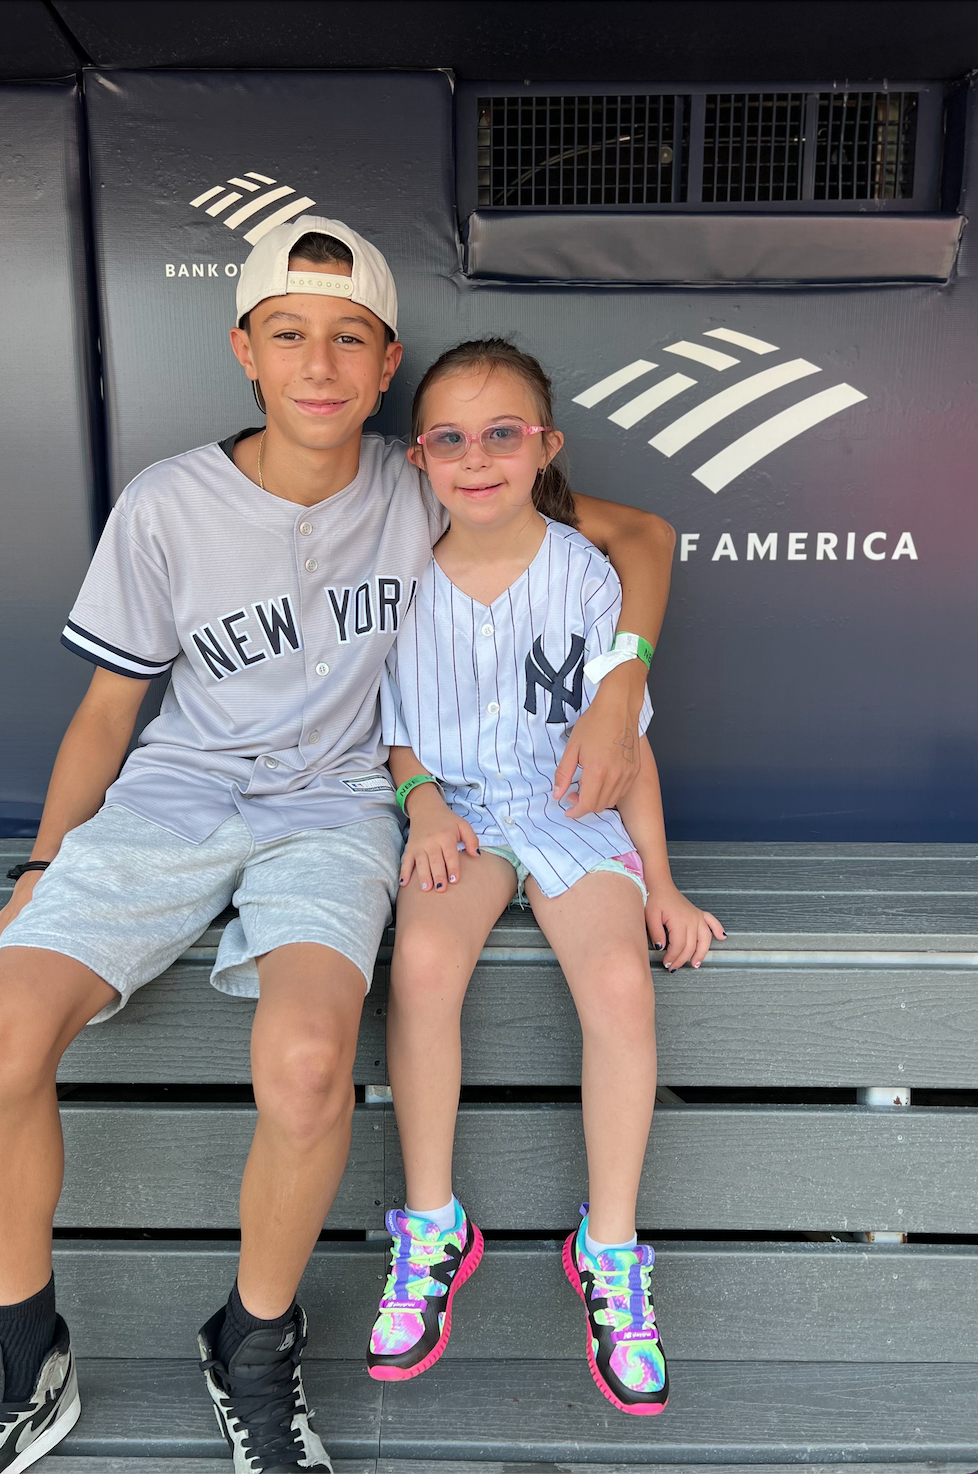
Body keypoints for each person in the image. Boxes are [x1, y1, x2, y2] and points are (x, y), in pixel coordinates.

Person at [0, 221, 675, 1474]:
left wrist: (621, 679)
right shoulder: (167, 501)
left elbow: (639, 540)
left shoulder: (424, 478)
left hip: (334, 805)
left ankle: (254, 1346)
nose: (319, 365)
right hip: (178, 794)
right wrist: (42, 869)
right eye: (289, 334)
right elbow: (107, 711)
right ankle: (20, 1354)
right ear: (244, 351)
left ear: (385, 369)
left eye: (349, 339)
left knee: (315, 1060)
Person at [364, 339, 723, 1416]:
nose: (477, 458)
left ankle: (608, 1249)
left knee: (618, 983)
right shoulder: (399, 575)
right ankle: (434, 1227)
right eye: (450, 439)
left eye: (502, 435)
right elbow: (392, 729)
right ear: (418, 458)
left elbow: (624, 749)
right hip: (459, 812)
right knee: (422, 968)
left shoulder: (587, 574)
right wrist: (419, 801)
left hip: (568, 808)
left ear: (545, 446)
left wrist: (661, 881)